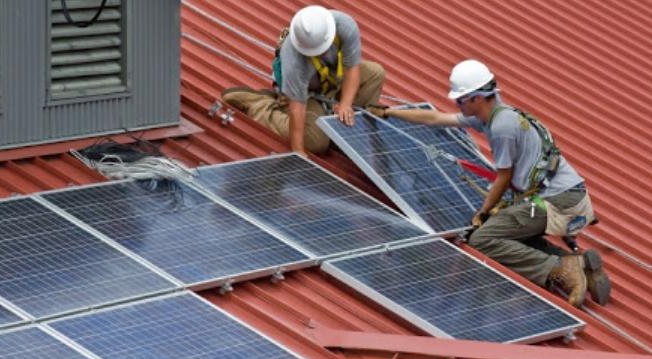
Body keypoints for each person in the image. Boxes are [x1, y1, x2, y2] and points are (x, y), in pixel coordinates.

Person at [376, 60, 610, 307]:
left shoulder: (501, 127)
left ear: (477, 98)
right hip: (564, 197)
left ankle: (560, 269)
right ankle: (581, 264)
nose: (457, 105)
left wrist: (483, 212)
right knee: (505, 232)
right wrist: (390, 112)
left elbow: (504, 176)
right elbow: (435, 118)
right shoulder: (497, 115)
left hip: (556, 202)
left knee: (483, 238)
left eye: (460, 100)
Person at [222, 5, 385, 155]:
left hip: (331, 78)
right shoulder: (293, 58)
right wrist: (299, 151)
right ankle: (260, 104)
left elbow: (352, 69)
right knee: (315, 143)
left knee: (375, 73)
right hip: (306, 93)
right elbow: (297, 108)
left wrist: (345, 104)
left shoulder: (344, 25)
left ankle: (342, 127)